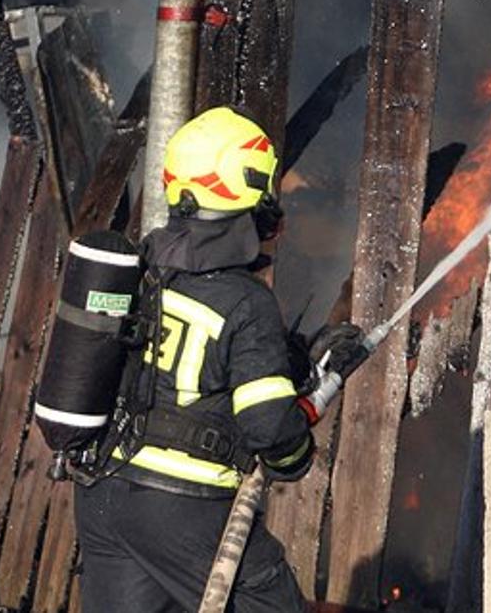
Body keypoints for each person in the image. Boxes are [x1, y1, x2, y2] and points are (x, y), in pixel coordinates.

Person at [72, 106, 363, 612]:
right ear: (244, 191)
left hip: (103, 496)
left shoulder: (140, 274)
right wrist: (296, 453)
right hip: (182, 510)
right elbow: (271, 431)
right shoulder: (244, 302)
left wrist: (295, 366)